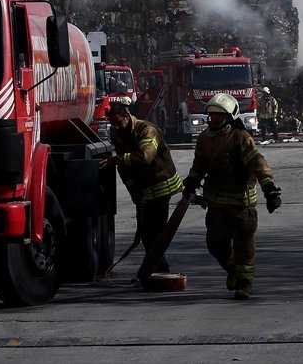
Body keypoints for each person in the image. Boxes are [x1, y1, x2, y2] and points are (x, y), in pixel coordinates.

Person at [182, 92, 281, 300]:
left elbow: (258, 164)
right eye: (212, 115)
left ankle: (244, 284)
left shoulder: (240, 138)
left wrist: (270, 190)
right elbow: (199, 165)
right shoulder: (204, 139)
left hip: (241, 204)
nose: (215, 119)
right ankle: (233, 270)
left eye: (219, 115)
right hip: (215, 203)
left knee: (244, 246)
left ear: (229, 117)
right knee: (215, 244)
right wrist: (191, 182)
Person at [99, 102, 183, 273]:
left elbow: (146, 156)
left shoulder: (147, 130)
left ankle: (159, 270)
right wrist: (135, 194)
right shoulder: (118, 134)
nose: (115, 127)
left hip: (162, 185)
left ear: (126, 116)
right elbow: (124, 169)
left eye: (118, 122)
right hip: (144, 191)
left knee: (156, 233)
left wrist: (118, 160)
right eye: (112, 124)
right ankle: (156, 269)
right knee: (146, 234)